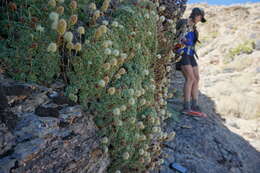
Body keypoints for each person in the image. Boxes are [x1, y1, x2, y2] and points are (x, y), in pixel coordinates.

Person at [175, 7, 207, 114]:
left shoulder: (194, 29)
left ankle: (194, 105)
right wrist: (179, 42)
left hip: (191, 55)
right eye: (200, 17)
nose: (199, 20)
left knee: (197, 78)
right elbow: (174, 35)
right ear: (195, 15)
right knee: (190, 78)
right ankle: (186, 107)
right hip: (183, 54)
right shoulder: (183, 23)